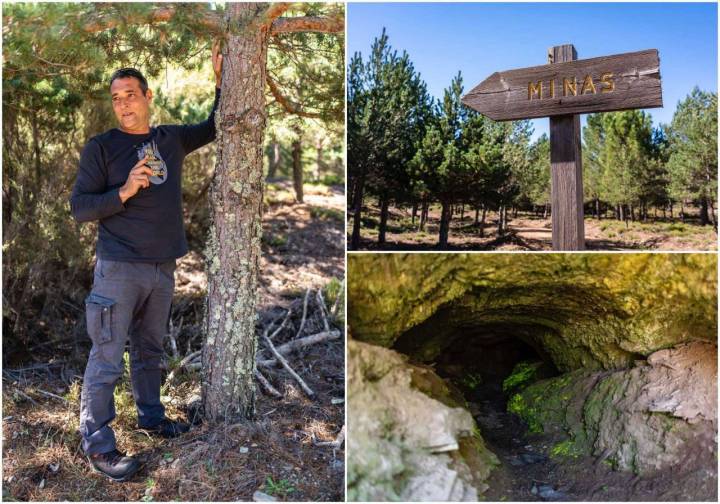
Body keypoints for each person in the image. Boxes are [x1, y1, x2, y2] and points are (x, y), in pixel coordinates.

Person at [69, 44, 223, 482]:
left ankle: (151, 418)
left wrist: (219, 79)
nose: (123, 104)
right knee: (107, 356)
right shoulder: (102, 148)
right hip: (118, 268)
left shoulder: (169, 139)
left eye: (130, 95)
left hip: (162, 267)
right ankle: (98, 445)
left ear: (148, 96)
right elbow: (80, 208)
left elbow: (214, 125)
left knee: (150, 350)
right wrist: (123, 192)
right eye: (116, 98)